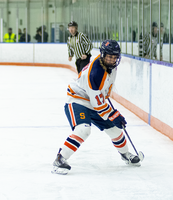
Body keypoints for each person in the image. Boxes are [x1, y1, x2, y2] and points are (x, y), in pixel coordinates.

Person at [52, 40, 142, 175]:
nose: (112, 60)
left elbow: (101, 95)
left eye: (115, 57)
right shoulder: (95, 73)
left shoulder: (111, 67)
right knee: (83, 130)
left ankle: (125, 155)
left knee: (116, 131)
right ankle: (60, 159)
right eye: (109, 57)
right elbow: (97, 104)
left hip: (94, 101)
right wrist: (114, 115)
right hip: (78, 100)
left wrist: (112, 112)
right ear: (102, 55)